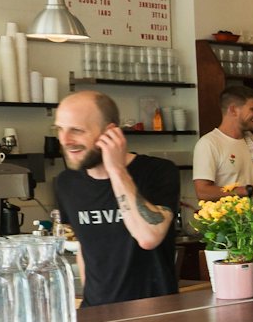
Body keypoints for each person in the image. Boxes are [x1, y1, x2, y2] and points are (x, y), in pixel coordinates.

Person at [52, 90, 179, 306]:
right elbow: (86, 248)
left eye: (76, 130)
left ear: (110, 133)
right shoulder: (66, 183)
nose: (65, 140)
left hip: (156, 316)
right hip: (98, 315)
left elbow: (149, 237)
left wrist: (117, 170)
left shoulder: (158, 171)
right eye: (60, 130)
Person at [192, 84, 253, 201]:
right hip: (228, 219)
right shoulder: (209, 144)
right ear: (233, 110)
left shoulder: (251, 142)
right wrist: (249, 190)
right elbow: (203, 192)